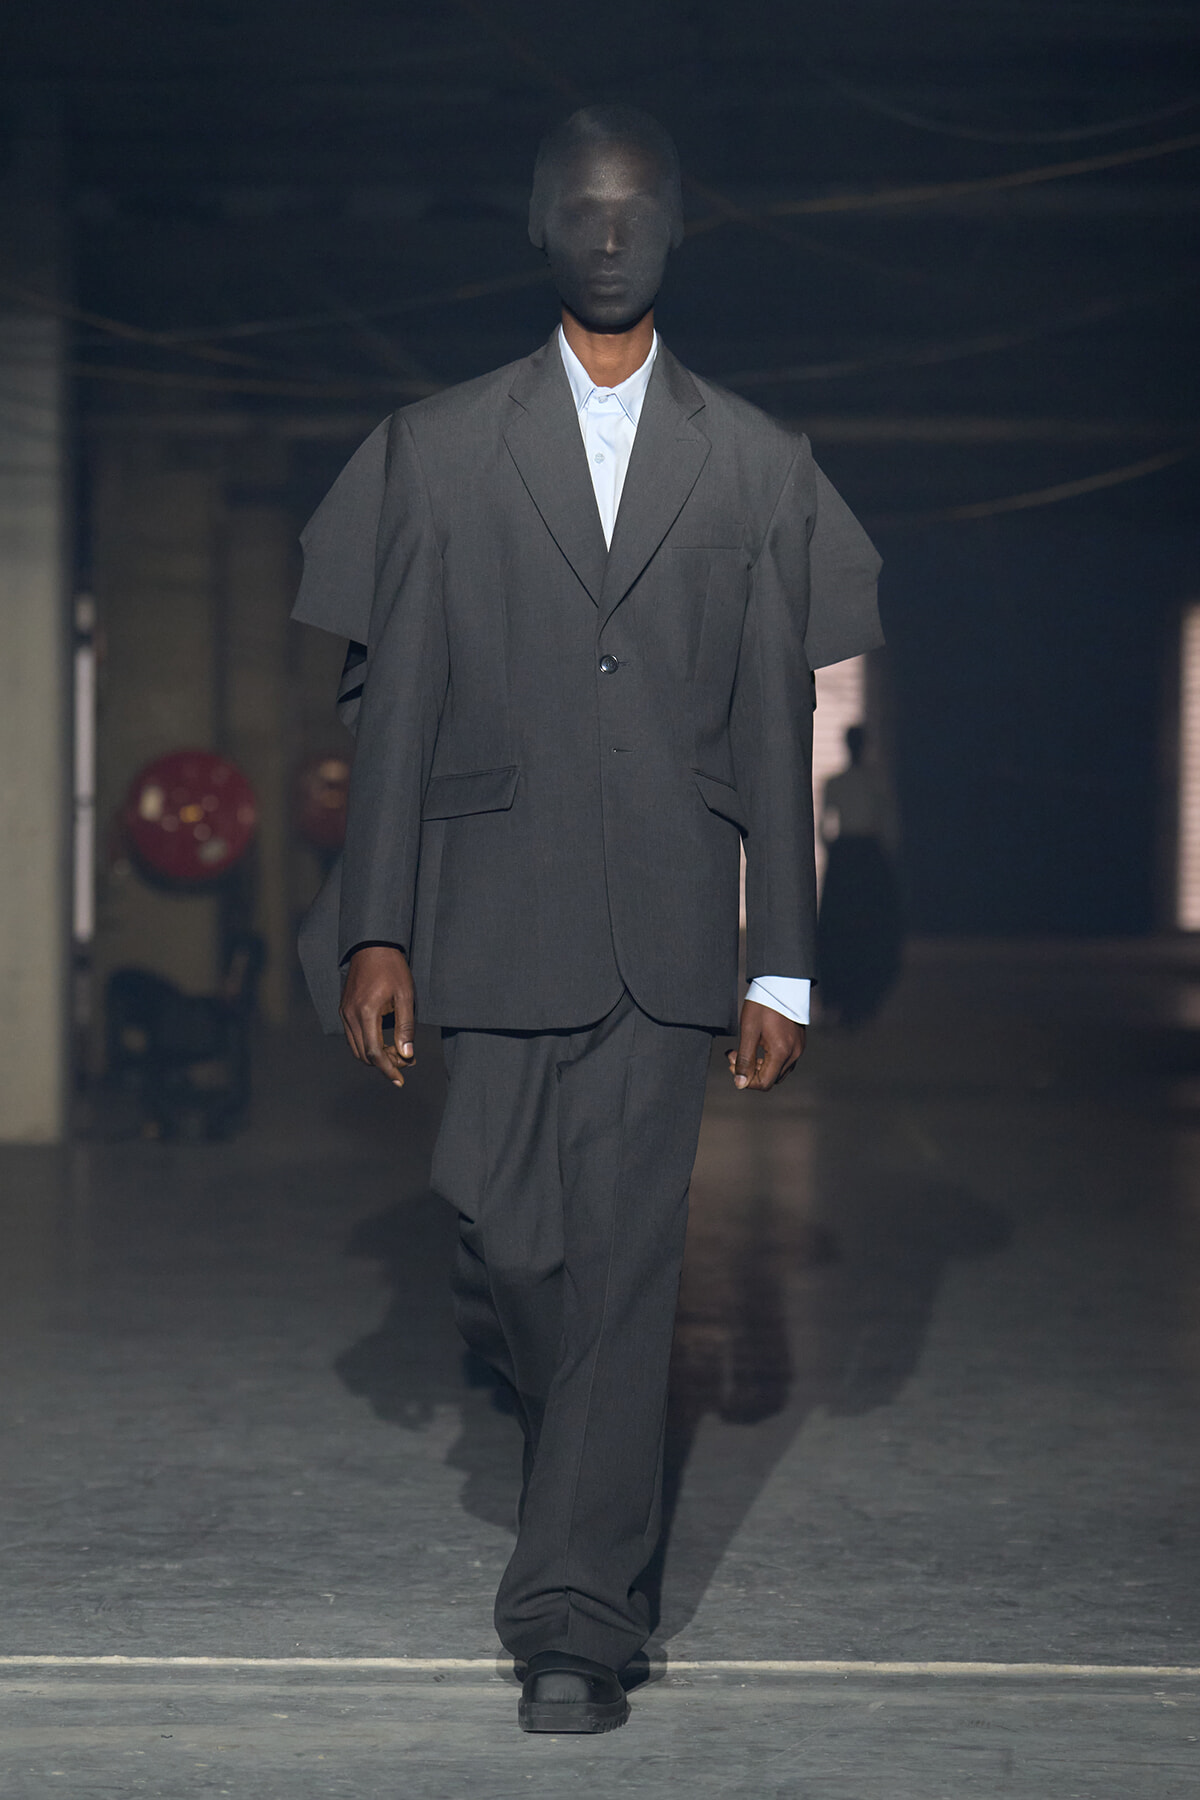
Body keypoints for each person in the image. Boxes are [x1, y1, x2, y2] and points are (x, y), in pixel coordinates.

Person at [291, 104, 882, 1733]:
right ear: (544, 224)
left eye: (639, 211)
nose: (612, 234)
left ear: (675, 228)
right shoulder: (439, 446)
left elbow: (778, 726)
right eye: (584, 208)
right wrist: (376, 926)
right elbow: (394, 707)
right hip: (490, 911)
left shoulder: (757, 466)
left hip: (669, 933)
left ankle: (576, 1622)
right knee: (504, 1231)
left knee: (622, 1269)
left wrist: (784, 956)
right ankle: (567, 1431)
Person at [817, 724, 903, 1027]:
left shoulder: (851, 782)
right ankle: (853, 998)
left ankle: (851, 998)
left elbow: (824, 829)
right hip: (861, 855)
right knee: (857, 927)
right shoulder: (862, 782)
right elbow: (888, 827)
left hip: (853, 856)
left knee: (850, 927)